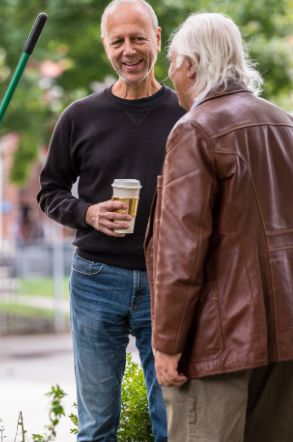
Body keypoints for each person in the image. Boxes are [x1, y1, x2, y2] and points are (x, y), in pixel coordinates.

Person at [37, 1, 185, 440]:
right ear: (105, 44)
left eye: (137, 38)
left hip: (167, 280)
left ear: (157, 37)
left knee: (170, 420)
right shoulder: (80, 116)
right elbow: (49, 191)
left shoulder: (186, 114)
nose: (128, 50)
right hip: (96, 278)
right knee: (97, 423)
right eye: (117, 40)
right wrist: (87, 212)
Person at [147, 12, 293, 441]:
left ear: (191, 65)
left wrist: (168, 345)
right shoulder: (284, 124)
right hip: (285, 334)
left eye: (172, 61)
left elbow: (181, 253)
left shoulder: (195, 129)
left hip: (218, 343)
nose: (169, 73)